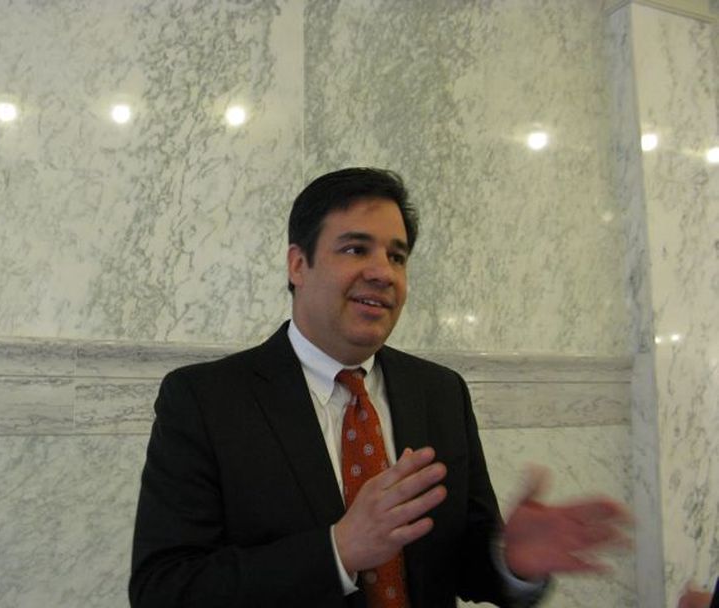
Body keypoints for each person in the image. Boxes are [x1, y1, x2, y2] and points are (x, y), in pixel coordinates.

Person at [129, 168, 631, 607]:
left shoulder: (440, 392)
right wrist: (338, 551)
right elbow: (164, 589)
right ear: (298, 264)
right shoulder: (205, 400)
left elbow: (460, 561)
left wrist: (511, 561)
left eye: (397, 256)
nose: (382, 273)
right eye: (355, 249)